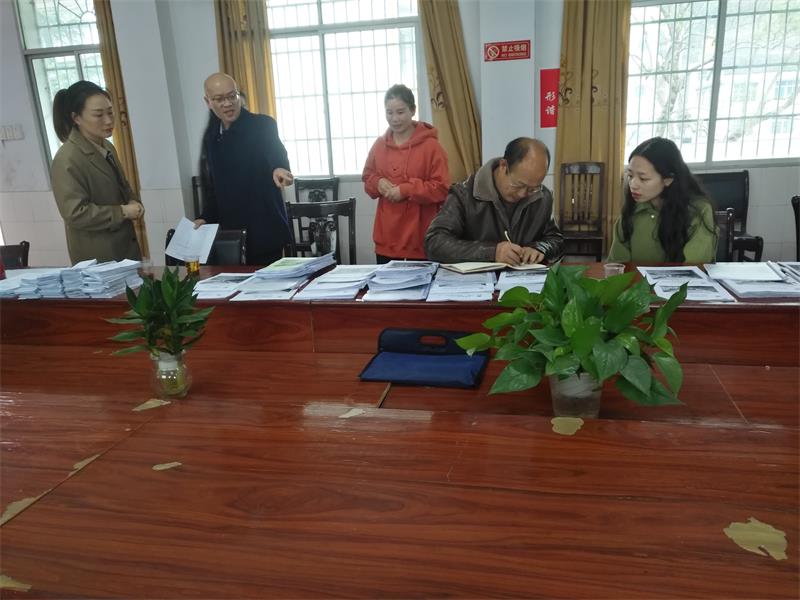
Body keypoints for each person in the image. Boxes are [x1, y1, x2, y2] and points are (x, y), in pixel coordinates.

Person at [194, 73, 294, 266]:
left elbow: (276, 152)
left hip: (264, 231)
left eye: (232, 96)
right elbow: (215, 188)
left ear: (238, 95)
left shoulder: (262, 125)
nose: (227, 103)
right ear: (208, 102)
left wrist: (280, 168)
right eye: (219, 99)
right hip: (230, 236)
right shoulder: (212, 137)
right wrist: (205, 217)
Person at [424, 137, 563, 265]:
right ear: (503, 166)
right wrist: (492, 252)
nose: (523, 194)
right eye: (518, 185)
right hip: (476, 282)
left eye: (532, 188)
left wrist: (540, 248)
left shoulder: (542, 197)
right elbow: (434, 243)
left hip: (523, 281)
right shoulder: (464, 194)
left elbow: (555, 239)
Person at [50, 81, 144, 263]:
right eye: (98, 115)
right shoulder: (67, 158)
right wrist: (123, 212)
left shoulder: (106, 146)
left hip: (125, 249)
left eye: (110, 112)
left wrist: (133, 200)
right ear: (76, 118)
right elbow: (75, 213)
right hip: (99, 257)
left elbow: (122, 186)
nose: (108, 121)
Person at [363, 84, 450, 262]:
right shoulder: (379, 145)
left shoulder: (431, 147)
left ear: (413, 110)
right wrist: (377, 182)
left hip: (420, 240)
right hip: (386, 240)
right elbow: (367, 179)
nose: (394, 119)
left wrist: (407, 190)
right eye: (389, 112)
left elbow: (442, 188)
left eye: (400, 112)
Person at [608, 137, 717, 263]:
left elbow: (694, 267)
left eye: (643, 179)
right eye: (630, 176)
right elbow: (617, 264)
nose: (633, 184)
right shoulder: (632, 210)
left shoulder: (698, 210)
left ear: (668, 180)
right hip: (635, 277)